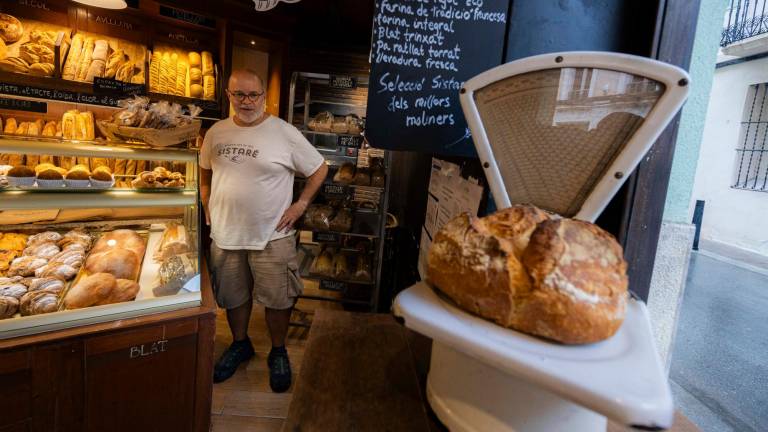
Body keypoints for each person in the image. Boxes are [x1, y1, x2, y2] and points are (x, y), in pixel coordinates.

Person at [200, 68, 328, 392]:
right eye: (238, 94)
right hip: (226, 234)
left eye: (253, 95)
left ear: (264, 96)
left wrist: (301, 205)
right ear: (228, 95)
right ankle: (241, 344)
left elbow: (319, 168)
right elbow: (203, 173)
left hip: (273, 234)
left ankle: (279, 351)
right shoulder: (216, 132)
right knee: (233, 296)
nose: (246, 101)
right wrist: (206, 202)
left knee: (279, 299)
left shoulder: (283, 132)